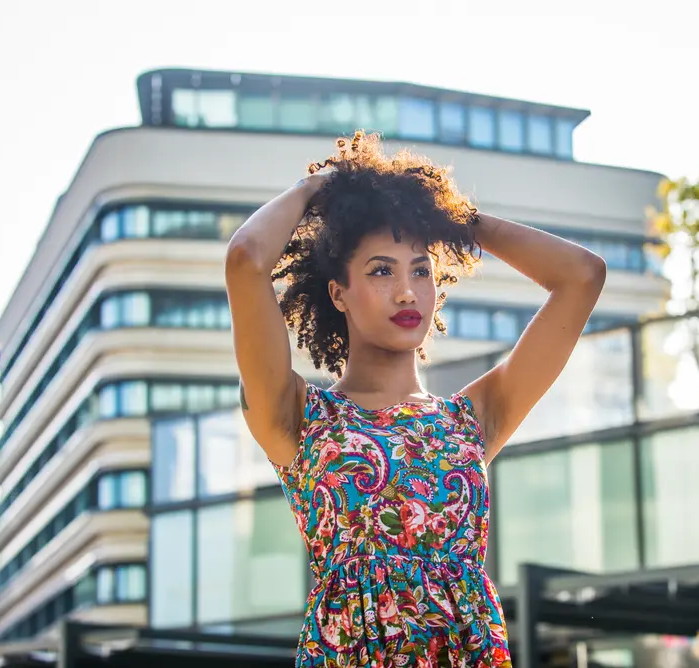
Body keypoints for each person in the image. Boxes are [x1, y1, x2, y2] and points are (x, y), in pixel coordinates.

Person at [224, 130, 607, 667]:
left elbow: (582, 275)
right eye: (381, 271)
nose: (407, 292)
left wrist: (447, 217)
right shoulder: (298, 418)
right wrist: (315, 188)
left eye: (421, 271)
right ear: (338, 292)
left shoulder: (473, 418)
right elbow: (245, 259)